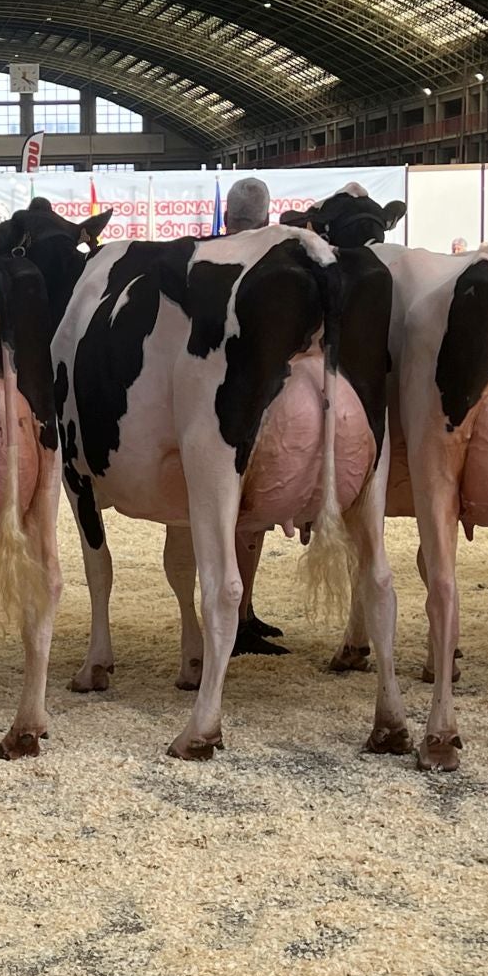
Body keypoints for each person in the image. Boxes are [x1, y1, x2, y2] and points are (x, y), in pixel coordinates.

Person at [215, 178, 289, 653]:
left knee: (228, 518)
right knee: (248, 516)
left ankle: (239, 612)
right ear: (268, 218)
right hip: (270, 398)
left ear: (227, 219)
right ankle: (236, 613)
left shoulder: (208, 260)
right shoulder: (276, 263)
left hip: (218, 405)